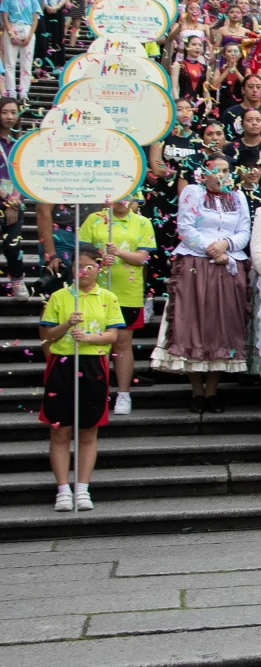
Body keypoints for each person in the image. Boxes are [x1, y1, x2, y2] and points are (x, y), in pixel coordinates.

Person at [150, 154, 252, 410]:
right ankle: (196, 391)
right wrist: (211, 248)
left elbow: (244, 231)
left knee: (222, 324)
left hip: (229, 263)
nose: (222, 175)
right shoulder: (193, 192)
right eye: (216, 170)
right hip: (196, 262)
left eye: (226, 170)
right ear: (203, 173)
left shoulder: (238, 196)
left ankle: (213, 391)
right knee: (195, 322)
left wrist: (226, 246)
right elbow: (185, 228)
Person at [39, 245, 122, 511]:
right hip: (62, 363)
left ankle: (83, 488)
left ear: (98, 267)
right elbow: (47, 334)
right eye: (78, 266)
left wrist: (87, 337)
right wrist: (67, 325)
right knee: (60, 429)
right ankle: (63, 489)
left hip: (92, 363)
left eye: (89, 266)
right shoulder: (60, 297)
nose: (83, 271)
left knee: (88, 429)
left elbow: (112, 336)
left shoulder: (107, 296)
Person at [80, 195, 155, 417]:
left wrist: (119, 253)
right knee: (96, 341)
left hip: (127, 293)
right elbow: (82, 254)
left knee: (122, 344)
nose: (123, 201)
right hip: (95, 292)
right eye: (118, 197)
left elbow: (143, 258)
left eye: (129, 197)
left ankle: (123, 393)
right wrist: (100, 260)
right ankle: (97, 392)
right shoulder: (94, 219)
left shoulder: (142, 222)